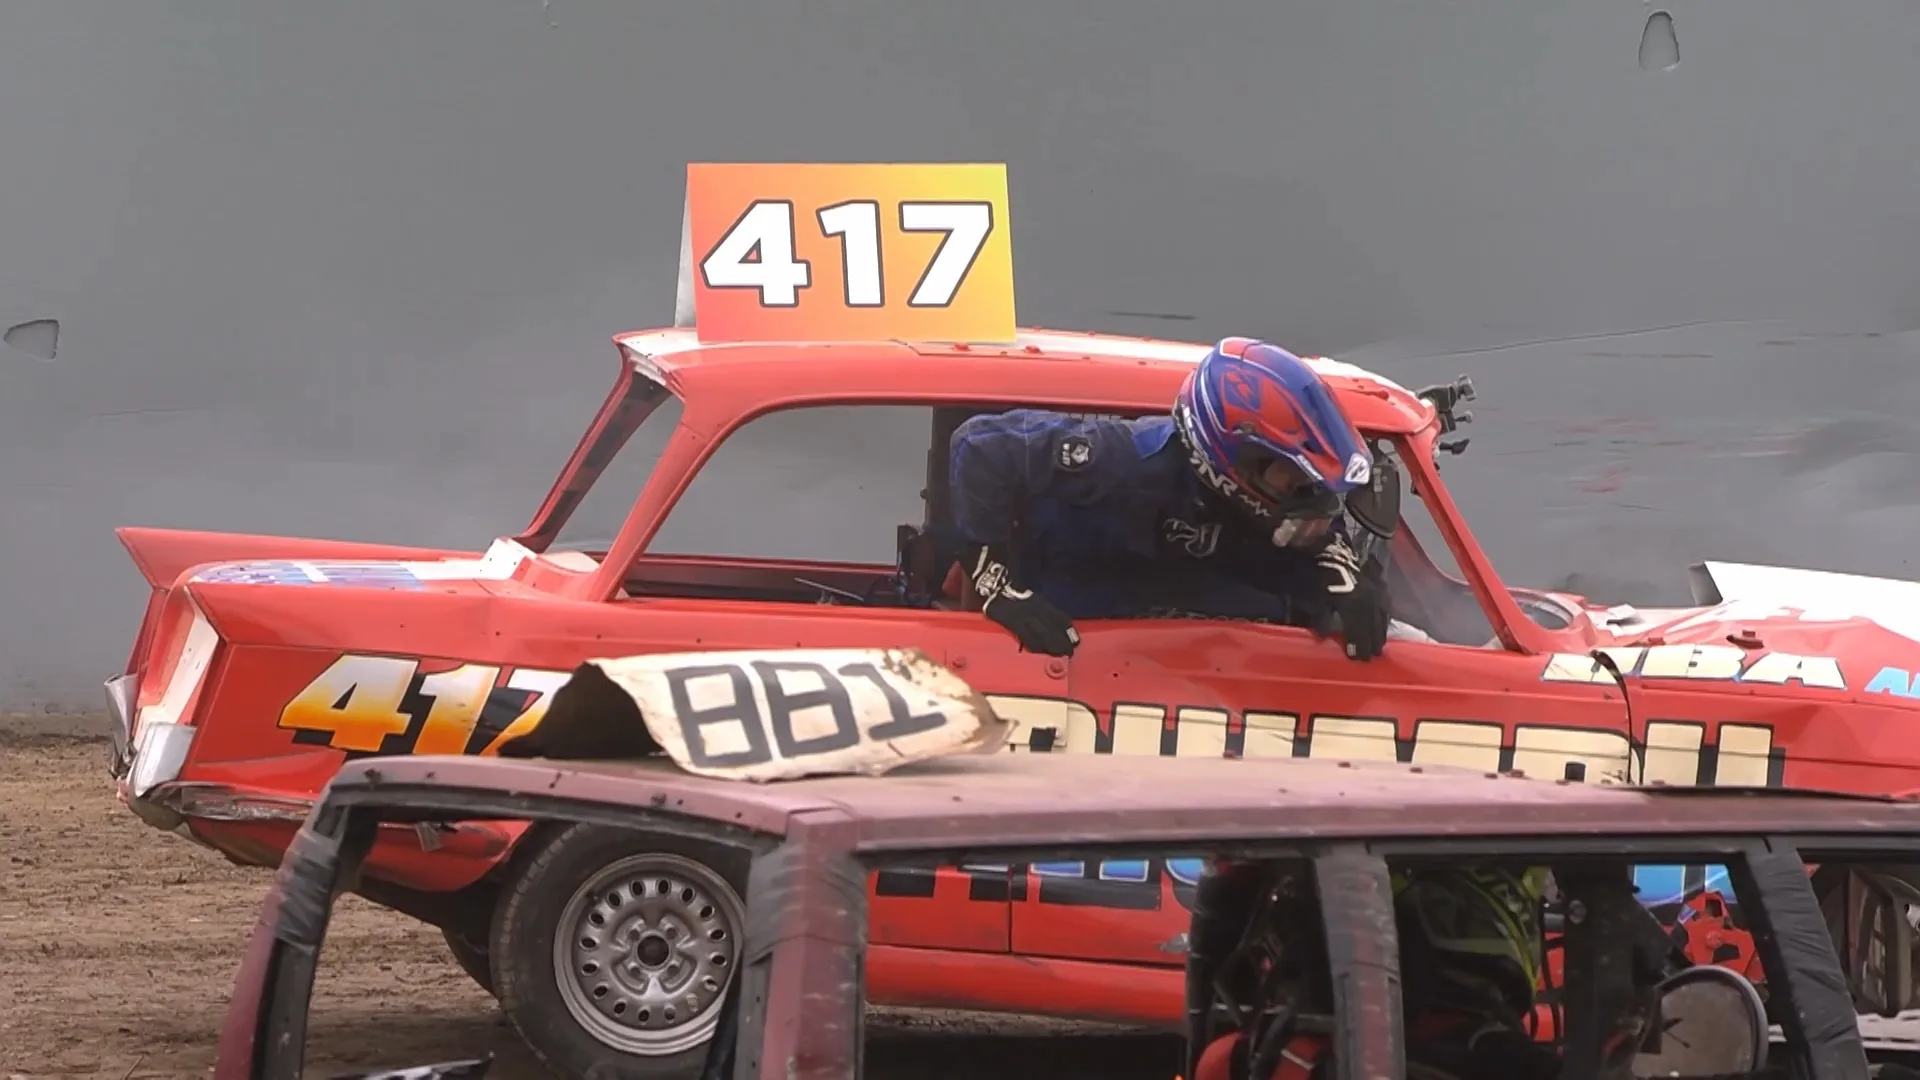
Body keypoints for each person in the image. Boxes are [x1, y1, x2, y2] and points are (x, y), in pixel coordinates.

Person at [946, 336, 1393, 659]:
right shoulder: (1119, 461)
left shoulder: (1264, 504)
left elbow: (1313, 519)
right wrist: (996, 585)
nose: (1305, 496)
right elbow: (978, 446)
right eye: (1292, 479)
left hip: (1188, 656)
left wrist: (1343, 571)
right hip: (1065, 644)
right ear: (1234, 458)